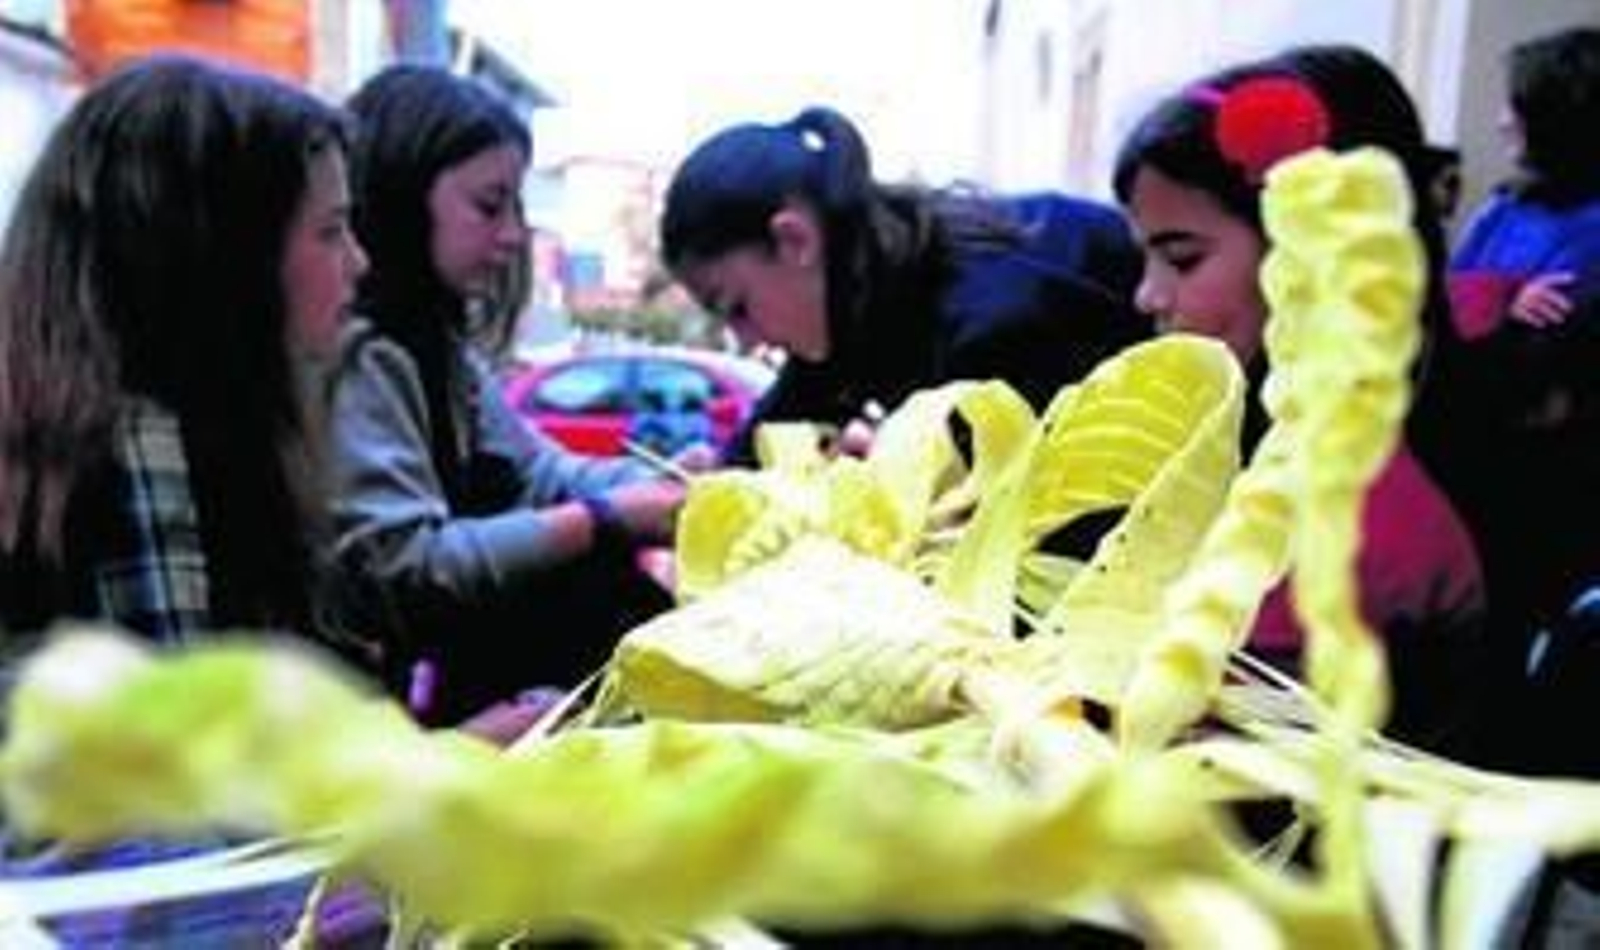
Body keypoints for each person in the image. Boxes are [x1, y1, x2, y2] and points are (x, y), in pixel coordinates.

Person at [0, 55, 365, 944]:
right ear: (221, 257)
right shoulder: (134, 446)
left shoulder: (72, 419)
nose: (359, 262)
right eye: (331, 231)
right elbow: (190, 836)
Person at [1112, 45, 1487, 754]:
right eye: (1145, 257)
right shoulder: (1269, 439)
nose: (1148, 295)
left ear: (1306, 256)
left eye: (1182, 257)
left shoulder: (1350, 522)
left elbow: (1188, 754)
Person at [327, 65, 691, 727]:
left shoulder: (438, 349)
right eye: (489, 206)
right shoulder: (361, 352)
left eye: (517, 207)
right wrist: (604, 518)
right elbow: (407, 566)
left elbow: (542, 471)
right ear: (403, 198)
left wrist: (669, 487)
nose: (514, 235)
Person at [658, 105, 1151, 464]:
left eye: (738, 307)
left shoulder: (991, 322)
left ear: (794, 240)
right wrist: (720, 478)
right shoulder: (860, 300)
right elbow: (781, 420)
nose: (745, 342)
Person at [1443, 26, 1600, 754]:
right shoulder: (1502, 208)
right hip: (1478, 451)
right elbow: (1446, 308)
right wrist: (1503, 298)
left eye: (1517, 104)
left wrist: (1496, 316)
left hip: (1555, 471)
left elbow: (1562, 343)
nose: (1503, 120)